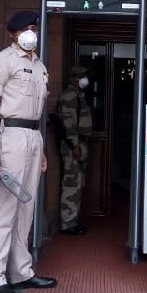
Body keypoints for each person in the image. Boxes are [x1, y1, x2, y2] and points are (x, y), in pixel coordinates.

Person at [0, 10, 58, 293]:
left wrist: (41, 150)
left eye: (35, 28)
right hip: (10, 136)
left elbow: (37, 114)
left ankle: (21, 272)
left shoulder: (39, 66)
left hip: (32, 137)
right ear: (13, 33)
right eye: (26, 28)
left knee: (26, 207)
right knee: (5, 207)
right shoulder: (2, 61)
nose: (31, 33)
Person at [56, 65, 92, 235]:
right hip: (74, 145)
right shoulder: (70, 95)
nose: (84, 79)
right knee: (71, 183)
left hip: (80, 144)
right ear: (73, 77)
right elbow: (69, 123)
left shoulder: (78, 95)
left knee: (77, 183)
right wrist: (75, 145)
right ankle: (68, 223)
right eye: (81, 76)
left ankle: (72, 220)